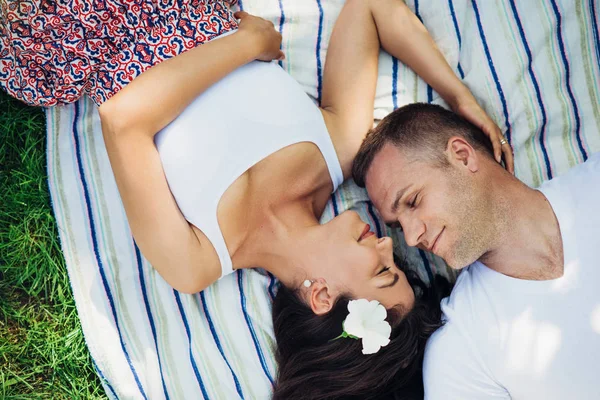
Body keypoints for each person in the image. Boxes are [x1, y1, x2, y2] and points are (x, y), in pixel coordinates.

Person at [2, 1, 508, 398]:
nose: (384, 245)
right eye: (393, 262)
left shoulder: (197, 261)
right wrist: (459, 98)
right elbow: (369, 8)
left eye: (381, 270)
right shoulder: (340, 150)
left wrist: (246, 45)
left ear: (322, 297)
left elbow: (123, 119)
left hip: (86, 34)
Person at [352, 102, 600, 399]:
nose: (412, 236)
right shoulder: (460, 352)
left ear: (462, 155)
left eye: (413, 201)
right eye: (397, 226)